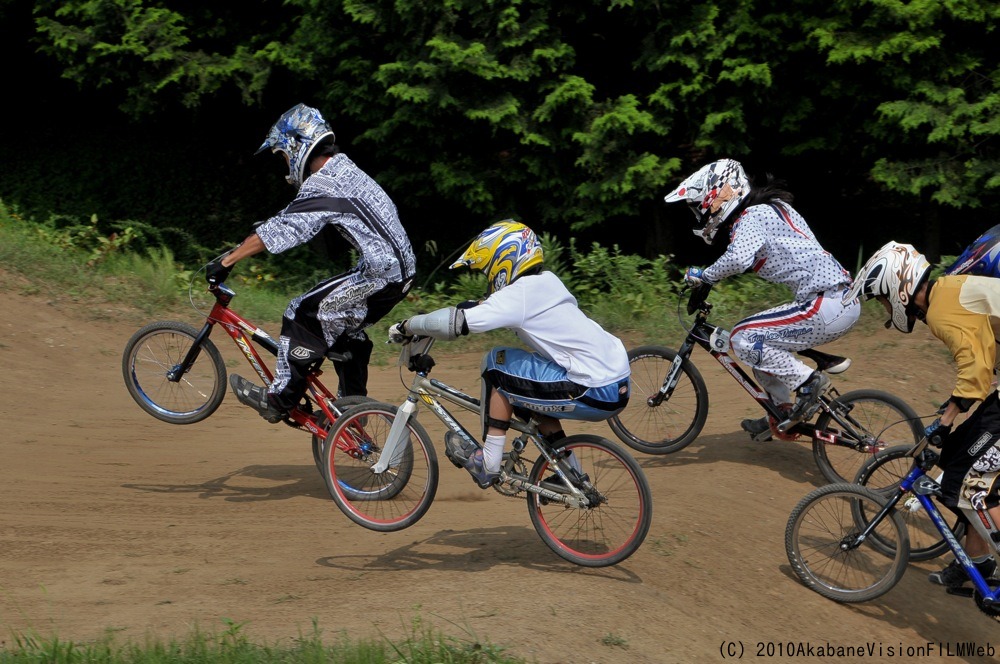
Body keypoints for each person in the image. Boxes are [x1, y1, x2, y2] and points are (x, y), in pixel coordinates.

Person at [207, 103, 416, 423]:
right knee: (346, 329)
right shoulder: (343, 168)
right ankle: (353, 408)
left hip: (380, 274)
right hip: (396, 271)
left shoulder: (325, 182)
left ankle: (280, 399)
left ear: (297, 145)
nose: (285, 163)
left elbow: (285, 229)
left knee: (302, 312)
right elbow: (295, 219)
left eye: (283, 155)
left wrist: (228, 260)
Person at [387, 220, 630, 489]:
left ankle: (488, 463)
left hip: (591, 387)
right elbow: (474, 308)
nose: (489, 277)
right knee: (526, 392)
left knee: (497, 364)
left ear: (503, 259)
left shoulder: (519, 295)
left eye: (488, 269)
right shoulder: (546, 282)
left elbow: (457, 323)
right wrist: (433, 320)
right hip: (615, 383)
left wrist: (407, 325)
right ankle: (571, 475)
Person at [663, 158, 861, 441]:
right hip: (836, 302)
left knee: (743, 337)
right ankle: (782, 412)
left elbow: (737, 258)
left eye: (700, 206)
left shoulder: (752, 216)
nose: (700, 214)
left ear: (720, 193)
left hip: (827, 302)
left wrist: (705, 276)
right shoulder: (774, 208)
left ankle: (808, 381)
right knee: (759, 344)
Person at [847, 241, 1000, 590]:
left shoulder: (943, 307)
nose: (886, 308)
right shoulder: (946, 295)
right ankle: (978, 564)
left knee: (968, 483)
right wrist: (950, 417)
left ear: (897, 288)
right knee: (958, 460)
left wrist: (944, 421)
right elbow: (982, 362)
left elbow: (975, 372)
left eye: (882, 299)